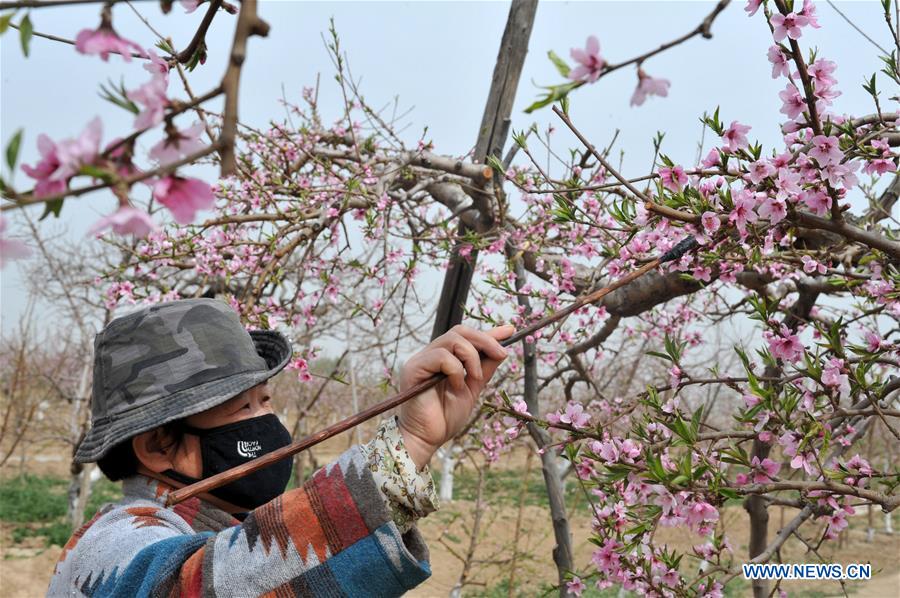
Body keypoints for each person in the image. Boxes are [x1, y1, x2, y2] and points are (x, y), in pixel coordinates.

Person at [48, 298, 512, 597]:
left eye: (265, 400)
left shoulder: (219, 525)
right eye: (240, 410)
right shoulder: (113, 545)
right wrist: (406, 445)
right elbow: (197, 586)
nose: (267, 422)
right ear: (156, 447)